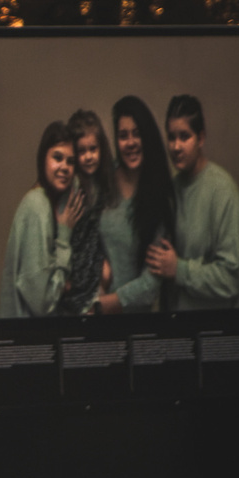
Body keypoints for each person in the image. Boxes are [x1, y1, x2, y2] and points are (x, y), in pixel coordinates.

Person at [146, 93, 239, 311]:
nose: (176, 146)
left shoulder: (222, 190)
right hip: (179, 328)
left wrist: (179, 270)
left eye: (184, 136)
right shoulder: (173, 189)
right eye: (171, 137)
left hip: (215, 331)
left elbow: (230, 280)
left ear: (201, 138)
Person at [95, 95, 176, 315]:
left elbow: (151, 284)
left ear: (147, 137)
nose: (130, 143)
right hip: (97, 321)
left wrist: (103, 305)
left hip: (137, 323)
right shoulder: (104, 181)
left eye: (137, 134)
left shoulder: (160, 196)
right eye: (123, 136)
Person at [0, 122, 78, 318]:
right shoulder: (37, 205)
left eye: (71, 161)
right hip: (28, 342)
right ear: (43, 157)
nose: (65, 167)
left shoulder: (41, 202)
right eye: (57, 158)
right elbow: (42, 303)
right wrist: (64, 236)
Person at [51, 110, 113, 317]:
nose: (88, 157)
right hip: (74, 259)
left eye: (93, 149)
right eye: (81, 151)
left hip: (94, 264)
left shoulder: (104, 181)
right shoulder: (72, 185)